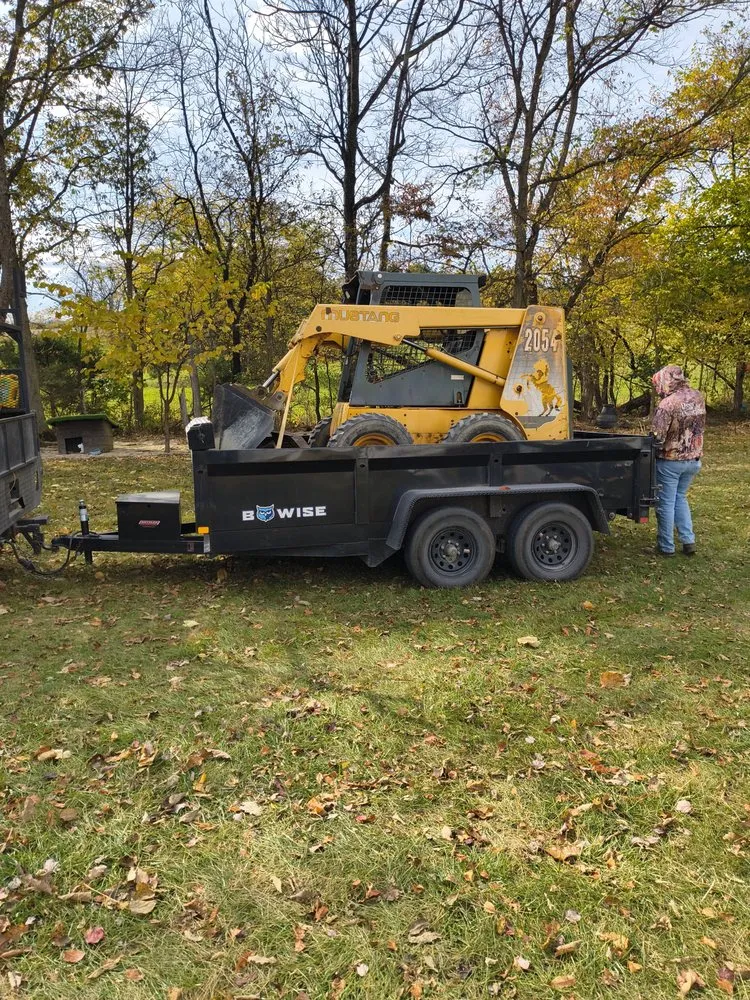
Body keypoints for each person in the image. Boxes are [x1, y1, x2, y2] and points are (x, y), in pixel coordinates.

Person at [651, 364, 706, 556]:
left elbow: (658, 436)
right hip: (694, 459)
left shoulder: (667, 404)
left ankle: (666, 547)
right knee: (680, 498)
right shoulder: (698, 397)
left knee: (665, 502)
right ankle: (688, 540)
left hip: (671, 461)